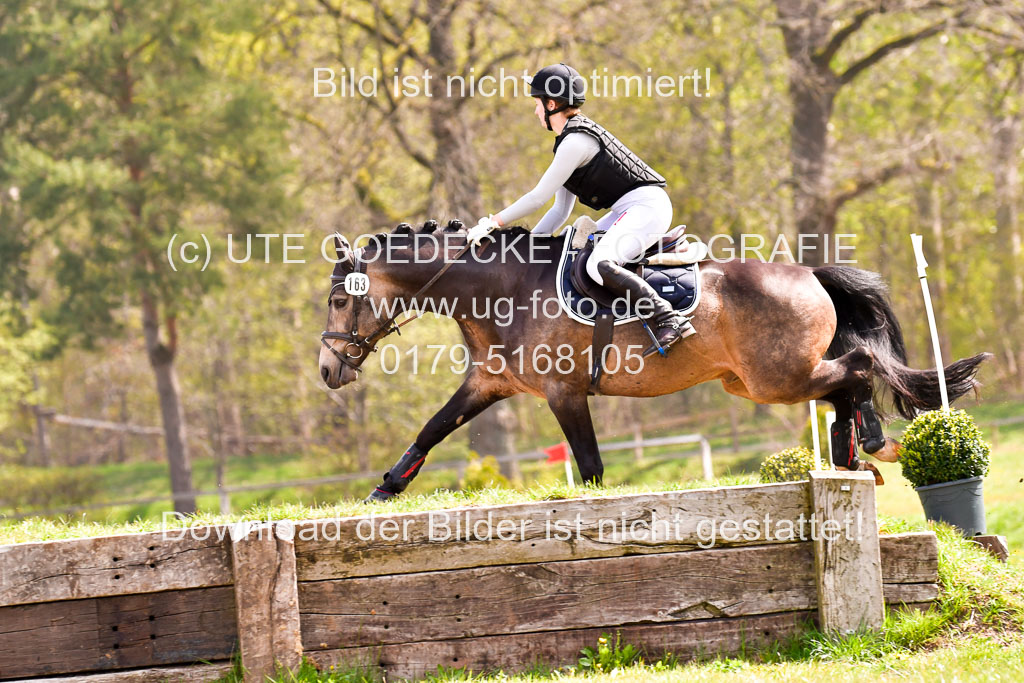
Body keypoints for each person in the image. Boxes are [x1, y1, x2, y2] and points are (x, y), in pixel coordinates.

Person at [467, 63, 695, 354]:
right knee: (574, 249)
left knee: (599, 265)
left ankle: (668, 318)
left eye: (537, 104)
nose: (536, 111)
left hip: (647, 207)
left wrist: (493, 222)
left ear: (551, 104)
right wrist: (522, 252)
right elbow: (559, 212)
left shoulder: (575, 143)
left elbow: (537, 198)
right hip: (631, 206)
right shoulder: (567, 143)